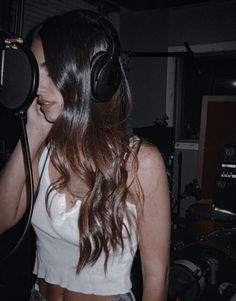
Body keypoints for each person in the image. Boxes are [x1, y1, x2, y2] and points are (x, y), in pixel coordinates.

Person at [0, 9, 171, 301]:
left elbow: (157, 279)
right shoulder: (42, 146)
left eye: (49, 71)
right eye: (35, 72)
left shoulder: (141, 162)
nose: (37, 86)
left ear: (91, 79)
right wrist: (32, 131)